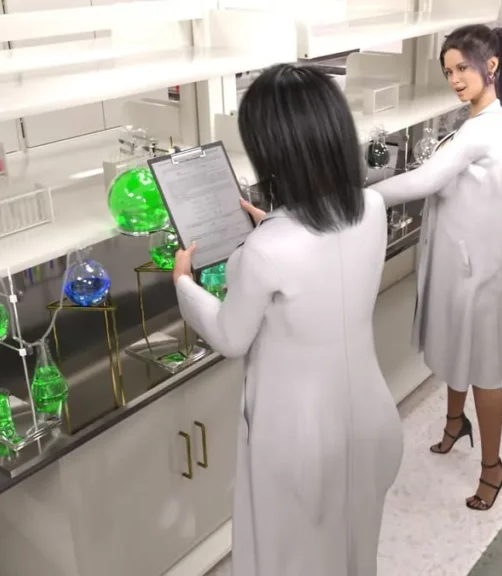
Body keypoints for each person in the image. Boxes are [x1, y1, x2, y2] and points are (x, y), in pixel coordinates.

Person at [171, 64, 403, 576]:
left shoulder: (266, 251)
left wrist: (184, 284)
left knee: (291, 563)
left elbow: (231, 337)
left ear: (271, 152)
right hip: (369, 418)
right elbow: (320, 257)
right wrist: (270, 224)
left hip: (299, 441)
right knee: (354, 555)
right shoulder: (372, 206)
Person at [371, 25, 502, 512]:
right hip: (465, 262)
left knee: (484, 371)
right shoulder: (476, 119)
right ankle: (454, 425)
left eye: (463, 67)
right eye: (448, 71)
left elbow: (425, 181)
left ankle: (493, 469)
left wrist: (357, 198)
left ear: (491, 65)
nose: (455, 79)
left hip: (483, 270)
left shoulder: (486, 127)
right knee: (459, 349)